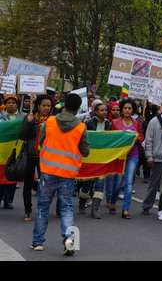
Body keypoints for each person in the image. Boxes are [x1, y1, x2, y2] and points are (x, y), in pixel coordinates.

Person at [30, 93, 90, 255]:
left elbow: (41, 142)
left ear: (63, 105)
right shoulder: (80, 127)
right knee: (66, 207)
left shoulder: (49, 122)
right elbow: (85, 152)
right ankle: (69, 239)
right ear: (78, 109)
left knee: (43, 206)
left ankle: (37, 242)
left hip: (48, 171)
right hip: (68, 174)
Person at [19, 94, 52, 221]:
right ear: (38, 105)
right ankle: (28, 210)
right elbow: (22, 136)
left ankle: (42, 210)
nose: (46, 108)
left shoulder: (53, 120)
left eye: (48, 106)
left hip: (46, 155)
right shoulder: (30, 117)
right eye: (43, 105)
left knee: (45, 184)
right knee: (28, 184)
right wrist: (28, 123)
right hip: (30, 154)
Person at [110, 99, 144, 219]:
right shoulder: (115, 123)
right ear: (122, 110)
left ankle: (125, 209)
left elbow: (141, 138)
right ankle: (112, 202)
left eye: (129, 108)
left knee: (129, 182)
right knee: (118, 182)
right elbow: (112, 139)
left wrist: (136, 138)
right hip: (119, 156)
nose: (127, 110)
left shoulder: (137, 123)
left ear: (133, 110)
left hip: (133, 155)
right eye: (125, 108)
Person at [81, 103, 112, 219]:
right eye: (102, 110)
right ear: (96, 112)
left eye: (105, 110)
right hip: (90, 157)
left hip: (102, 159)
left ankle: (95, 210)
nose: (105, 112)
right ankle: (82, 200)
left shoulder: (109, 124)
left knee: (100, 184)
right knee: (88, 183)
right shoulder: (88, 123)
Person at [0, 95, 27, 209]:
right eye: (9, 102)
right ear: (5, 105)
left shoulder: (24, 117)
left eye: (13, 103)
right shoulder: (1, 116)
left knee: (13, 175)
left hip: (16, 150)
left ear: (17, 105)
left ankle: (9, 200)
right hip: (2, 151)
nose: (11, 104)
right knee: (1, 175)